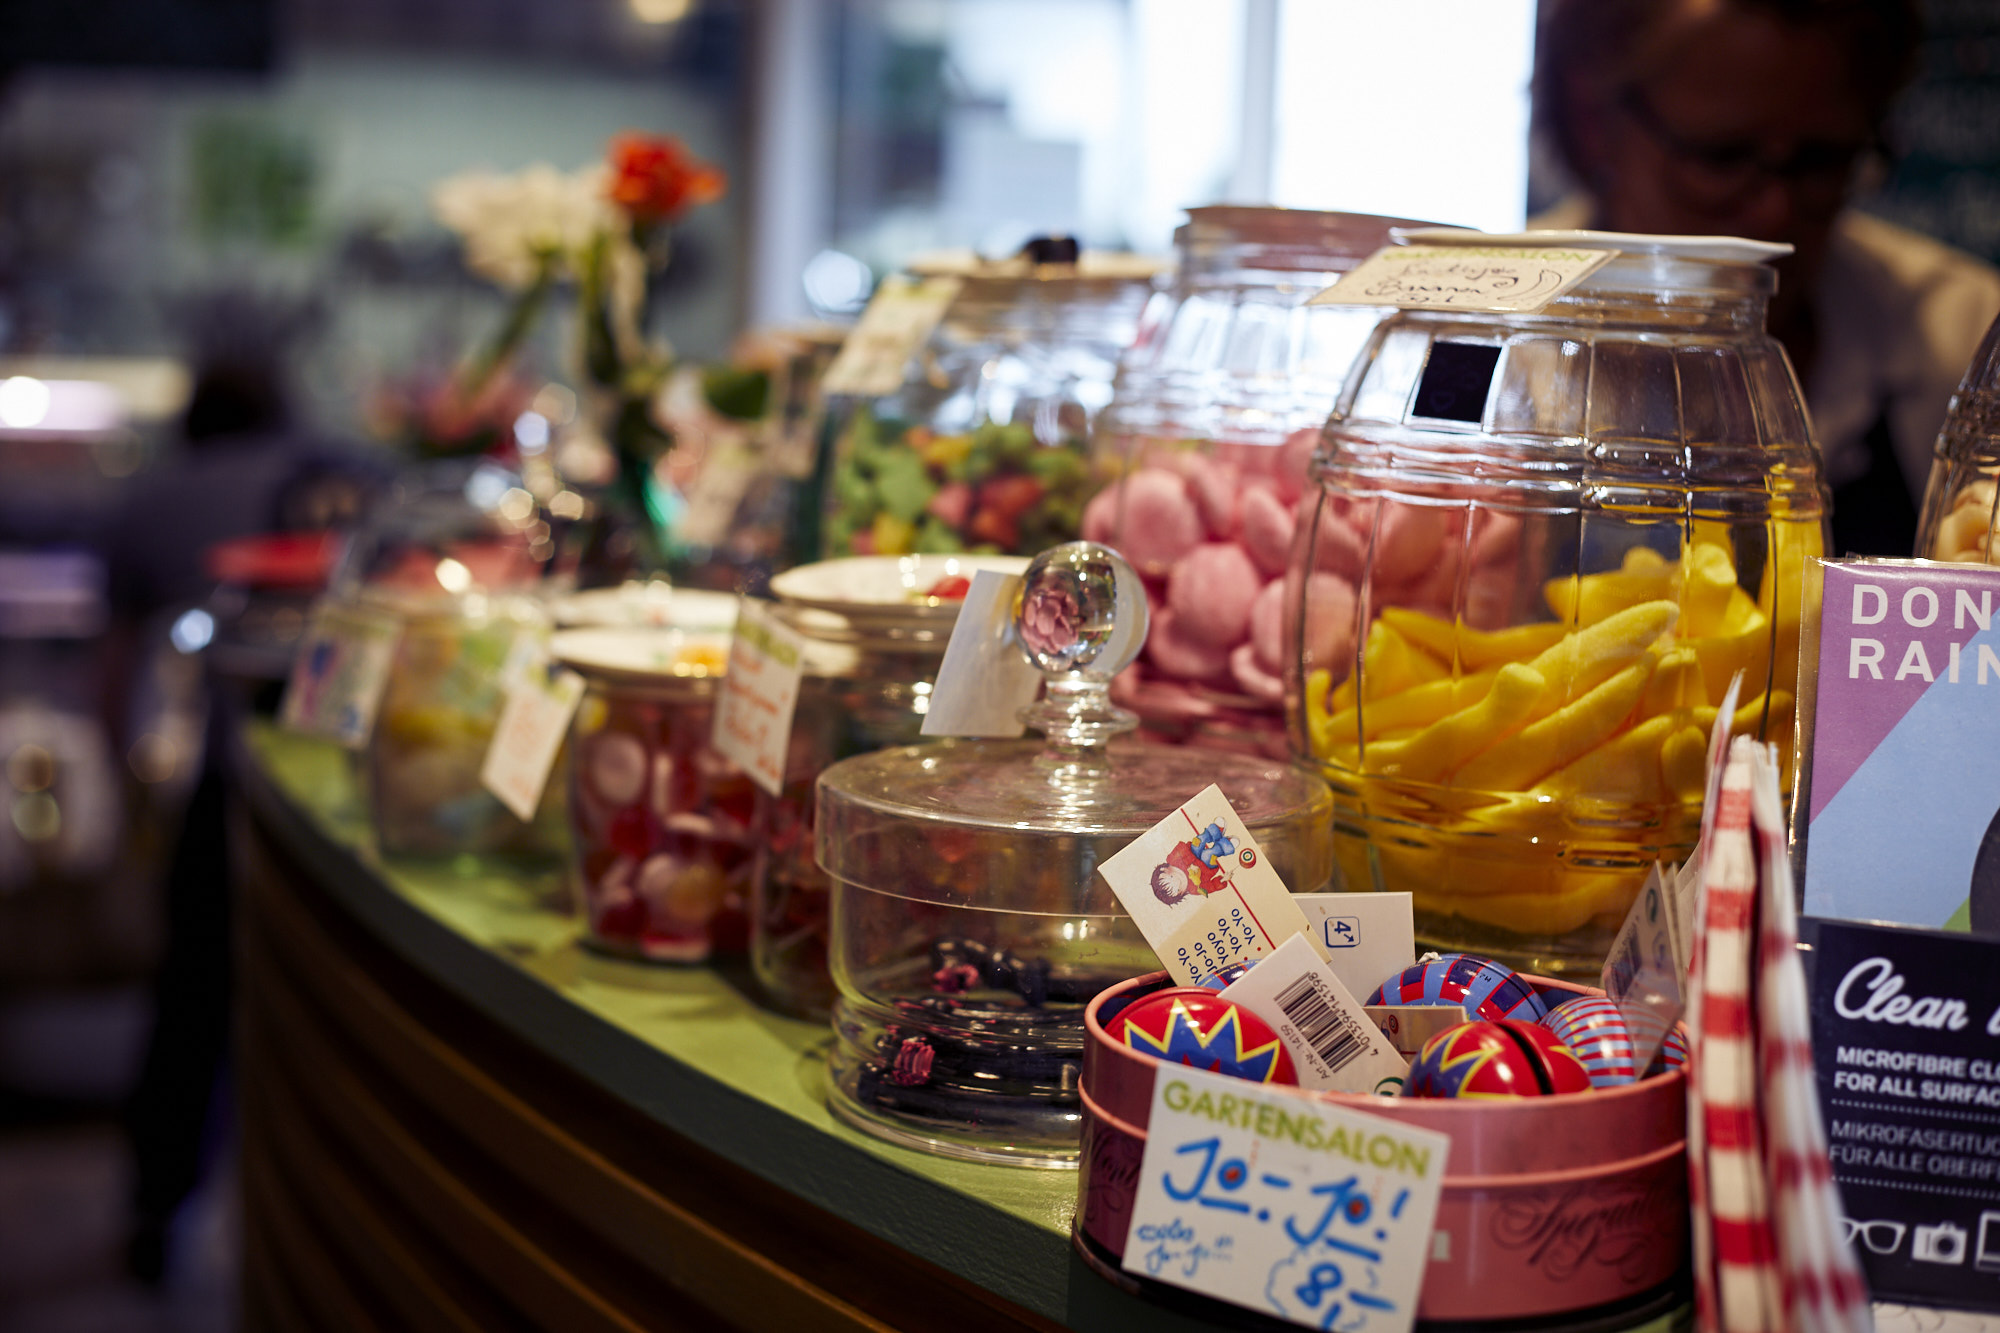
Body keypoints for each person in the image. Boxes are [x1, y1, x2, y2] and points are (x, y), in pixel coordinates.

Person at [1534, 0, 2000, 557]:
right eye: (1723, 158)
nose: (1773, 214)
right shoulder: (1482, 328)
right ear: (1594, 122)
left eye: (1822, 162)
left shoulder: (1960, 333)